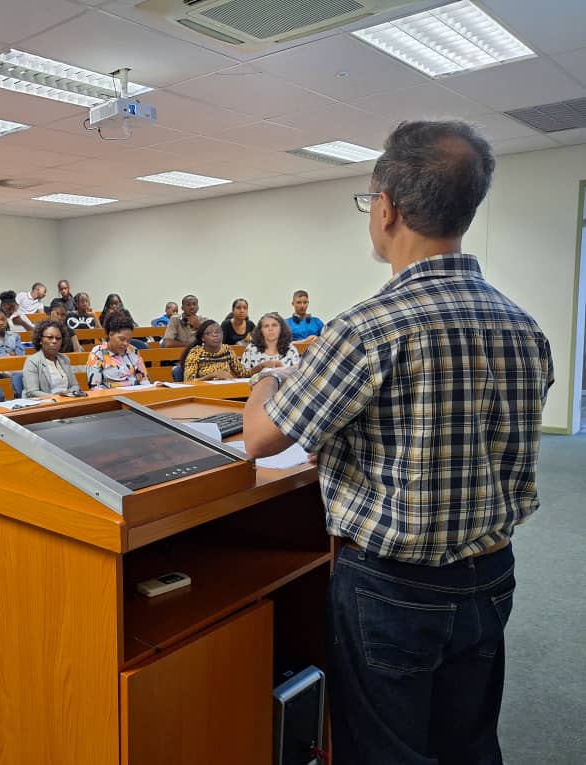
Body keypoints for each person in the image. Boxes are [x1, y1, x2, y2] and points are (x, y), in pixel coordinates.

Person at [242, 120, 554, 765]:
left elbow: (260, 440)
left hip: (393, 587)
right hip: (493, 573)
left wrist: (268, 378)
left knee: (384, 749)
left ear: (387, 209)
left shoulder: (366, 329)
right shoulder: (525, 327)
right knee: (470, 740)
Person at [86, 313, 149, 390]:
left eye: (128, 340)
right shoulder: (98, 353)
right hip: (111, 398)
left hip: (135, 395)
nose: (126, 343)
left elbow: (144, 379)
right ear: (111, 335)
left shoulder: (133, 350)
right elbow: (95, 387)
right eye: (122, 339)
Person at [22, 320, 81, 398]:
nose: (54, 341)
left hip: (66, 401)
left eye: (58, 338)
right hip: (45, 404)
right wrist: (56, 398)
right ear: (40, 340)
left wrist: (67, 395)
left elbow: (75, 386)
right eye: (50, 337)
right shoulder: (32, 361)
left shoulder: (64, 359)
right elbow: (32, 392)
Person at [179, 319, 248, 381]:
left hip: (226, 389)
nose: (215, 335)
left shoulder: (227, 349)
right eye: (209, 333)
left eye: (218, 332)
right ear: (202, 338)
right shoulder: (196, 353)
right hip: (203, 391)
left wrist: (258, 368)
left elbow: (243, 373)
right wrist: (212, 375)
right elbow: (188, 380)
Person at [241, 312, 300, 382]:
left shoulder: (291, 349)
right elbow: (243, 375)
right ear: (261, 330)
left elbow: (297, 376)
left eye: (274, 325)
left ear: (281, 329)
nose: (270, 329)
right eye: (266, 326)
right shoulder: (251, 349)